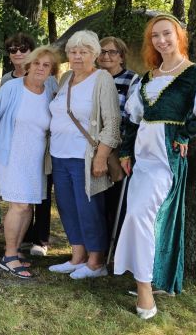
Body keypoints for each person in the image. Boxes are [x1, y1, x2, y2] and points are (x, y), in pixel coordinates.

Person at [115, 15, 196, 319]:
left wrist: (185, 132)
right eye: (155, 36)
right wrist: (126, 152)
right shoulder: (148, 76)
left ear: (179, 36)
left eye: (166, 34)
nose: (161, 40)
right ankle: (152, 279)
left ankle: (144, 290)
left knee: (140, 214)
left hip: (165, 158)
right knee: (146, 218)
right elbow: (133, 119)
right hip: (141, 158)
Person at [0, 47, 60, 278]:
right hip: (11, 155)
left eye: (46, 65)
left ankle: (14, 251)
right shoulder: (12, 89)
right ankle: (10, 255)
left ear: (51, 71)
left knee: (28, 206)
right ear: (28, 65)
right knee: (19, 206)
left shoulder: (50, 89)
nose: (41, 68)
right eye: (37, 64)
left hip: (35, 158)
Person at [47, 30, 120, 280]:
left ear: (95, 55)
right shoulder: (66, 77)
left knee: (89, 208)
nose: (77, 56)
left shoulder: (102, 79)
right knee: (67, 207)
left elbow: (111, 122)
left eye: (83, 51)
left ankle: (96, 261)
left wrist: (101, 157)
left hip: (84, 156)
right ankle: (77, 256)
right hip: (59, 154)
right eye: (73, 51)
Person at [97, 36, 141, 244]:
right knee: (97, 198)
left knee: (115, 197)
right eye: (102, 52)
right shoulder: (92, 78)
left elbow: (133, 116)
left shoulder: (132, 80)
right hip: (91, 145)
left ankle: (115, 245)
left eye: (111, 52)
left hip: (116, 146)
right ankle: (97, 243)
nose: (106, 56)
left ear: (121, 56)